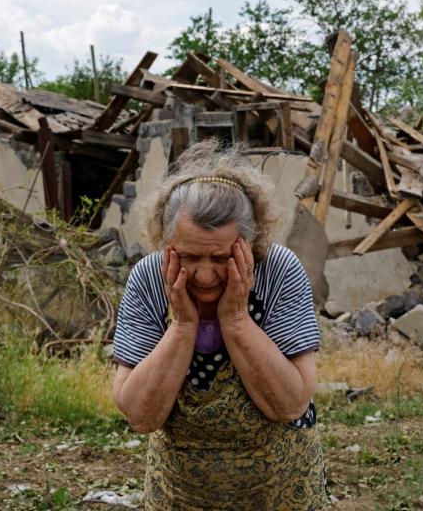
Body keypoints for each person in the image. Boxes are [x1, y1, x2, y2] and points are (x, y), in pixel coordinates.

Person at [111, 139, 327, 510]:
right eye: (191, 256)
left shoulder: (279, 271)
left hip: (279, 486)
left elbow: (291, 404)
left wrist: (236, 319)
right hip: (180, 491)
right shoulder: (148, 278)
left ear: (251, 243)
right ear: (166, 244)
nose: (206, 276)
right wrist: (180, 327)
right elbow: (140, 414)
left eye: (222, 257)